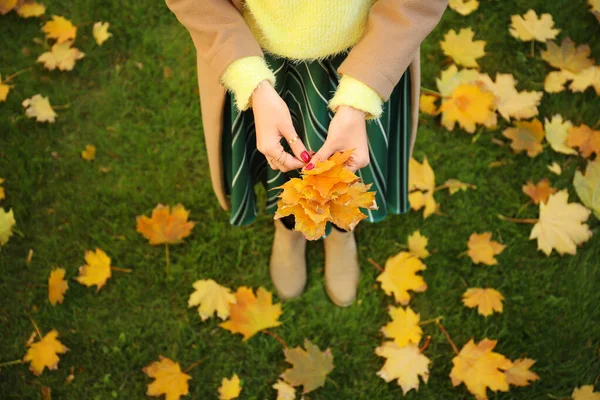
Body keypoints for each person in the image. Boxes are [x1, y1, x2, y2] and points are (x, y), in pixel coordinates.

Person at [165, 0, 448, 307]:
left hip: (368, 45)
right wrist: (253, 83)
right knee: (280, 155)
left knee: (348, 163)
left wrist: (359, 97)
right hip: (256, 49)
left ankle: (342, 227)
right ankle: (289, 226)